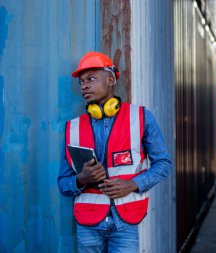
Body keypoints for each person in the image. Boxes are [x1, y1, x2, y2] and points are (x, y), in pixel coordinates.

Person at [57, 52, 172, 253]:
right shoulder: (73, 128)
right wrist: (81, 179)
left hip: (126, 221)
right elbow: (63, 183)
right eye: (81, 81)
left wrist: (134, 184)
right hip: (88, 224)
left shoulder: (141, 117)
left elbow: (164, 164)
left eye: (91, 79)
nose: (84, 85)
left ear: (110, 80)